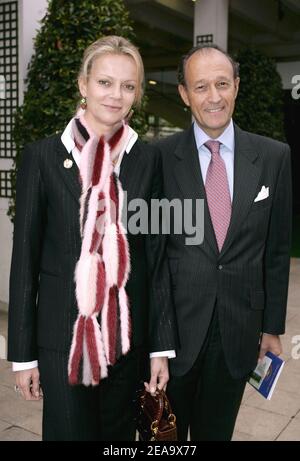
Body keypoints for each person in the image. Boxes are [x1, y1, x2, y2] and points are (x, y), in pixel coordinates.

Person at [7, 35, 176, 441]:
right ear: (83, 84)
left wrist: (160, 348)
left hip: (126, 345)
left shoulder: (148, 159)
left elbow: (155, 259)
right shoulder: (43, 157)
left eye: (128, 86)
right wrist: (22, 356)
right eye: (105, 82)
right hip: (62, 342)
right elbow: (25, 264)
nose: (116, 95)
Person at [156, 44, 292, 441]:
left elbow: (277, 250)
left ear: (236, 86)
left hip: (239, 332)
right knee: (164, 439)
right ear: (184, 94)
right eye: (201, 87)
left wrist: (271, 326)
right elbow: (154, 255)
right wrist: (155, 340)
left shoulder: (273, 157)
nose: (213, 97)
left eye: (221, 84)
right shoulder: (158, 159)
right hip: (174, 335)